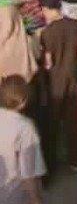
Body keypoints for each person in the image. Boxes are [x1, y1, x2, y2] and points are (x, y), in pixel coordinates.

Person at [37, 0, 77, 173]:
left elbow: (49, 62)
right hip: (73, 77)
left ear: (47, 9)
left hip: (56, 83)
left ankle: (50, 165)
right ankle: (75, 162)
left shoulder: (47, 33)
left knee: (52, 123)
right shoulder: (75, 25)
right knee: (71, 122)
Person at [0, 76, 44, 204]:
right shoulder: (25, 127)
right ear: (23, 101)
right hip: (16, 194)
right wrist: (36, 200)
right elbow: (28, 171)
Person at [0, 6, 33, 85]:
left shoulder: (5, 9)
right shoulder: (8, 7)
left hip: (10, 61)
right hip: (16, 58)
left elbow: (6, 30)